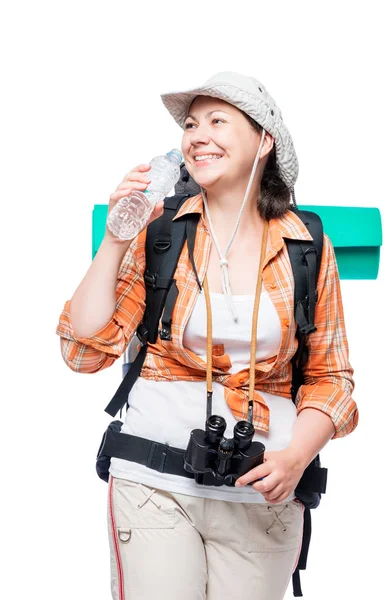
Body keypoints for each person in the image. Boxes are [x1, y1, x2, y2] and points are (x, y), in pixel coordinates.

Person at [56, 71, 359, 600]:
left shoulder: (306, 244)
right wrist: (115, 238)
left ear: (264, 141)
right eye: (191, 124)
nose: (198, 135)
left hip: (262, 495)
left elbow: (330, 380)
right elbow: (82, 351)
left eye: (218, 120)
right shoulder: (163, 233)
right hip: (152, 480)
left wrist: (295, 460)